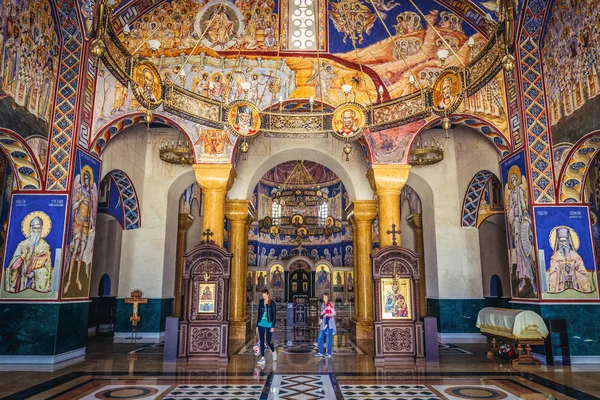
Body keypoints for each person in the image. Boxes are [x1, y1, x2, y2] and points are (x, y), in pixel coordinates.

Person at [256, 288, 277, 365]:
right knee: (261, 340)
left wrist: (273, 326)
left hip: (269, 324)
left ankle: (273, 351)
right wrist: (257, 325)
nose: (264, 297)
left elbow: (274, 315)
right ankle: (262, 358)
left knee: (268, 341)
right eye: (263, 296)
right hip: (261, 323)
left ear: (268, 295)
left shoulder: (272, 303)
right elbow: (259, 313)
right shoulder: (261, 302)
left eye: (265, 296)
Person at [315, 293, 336, 358]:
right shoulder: (323, 305)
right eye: (323, 297)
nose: (324, 298)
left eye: (325, 297)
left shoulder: (330, 304)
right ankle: (321, 352)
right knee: (320, 338)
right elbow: (322, 313)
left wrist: (327, 315)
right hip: (323, 324)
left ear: (327, 298)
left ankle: (329, 353)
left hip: (329, 324)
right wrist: (320, 320)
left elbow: (334, 313)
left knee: (329, 339)